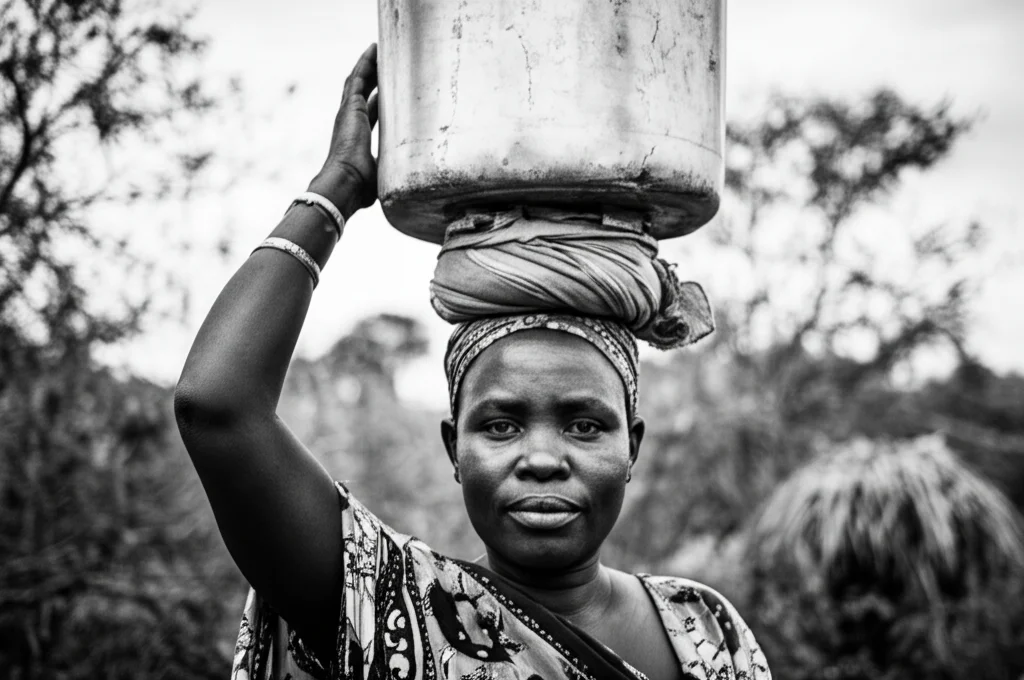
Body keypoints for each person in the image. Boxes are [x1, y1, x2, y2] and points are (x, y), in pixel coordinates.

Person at [175, 44, 771, 680]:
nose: (542, 458)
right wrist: (339, 187)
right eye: (501, 425)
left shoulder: (707, 630)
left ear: (634, 447)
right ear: (453, 448)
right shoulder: (394, 607)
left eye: (585, 425)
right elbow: (217, 405)